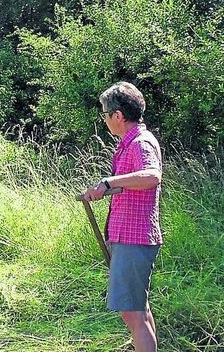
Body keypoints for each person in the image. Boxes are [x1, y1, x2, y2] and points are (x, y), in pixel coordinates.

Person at [83, 82, 163, 352]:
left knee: (132, 314)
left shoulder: (140, 143)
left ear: (117, 116)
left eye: (105, 114)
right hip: (128, 236)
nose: (105, 120)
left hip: (134, 237)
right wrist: (103, 191)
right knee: (138, 311)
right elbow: (132, 184)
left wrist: (108, 182)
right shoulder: (129, 144)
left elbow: (152, 176)